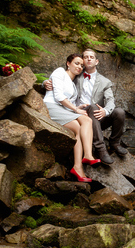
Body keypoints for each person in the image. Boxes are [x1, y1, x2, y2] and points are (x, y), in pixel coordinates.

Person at [44, 48, 127, 164]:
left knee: (119, 112)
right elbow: (59, 81)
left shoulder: (105, 82)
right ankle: (100, 149)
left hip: (98, 117)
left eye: (91, 57)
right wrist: (45, 82)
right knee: (92, 107)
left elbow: (110, 101)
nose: (88, 59)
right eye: (85, 57)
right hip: (80, 113)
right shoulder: (76, 74)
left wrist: (105, 111)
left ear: (96, 61)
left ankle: (115, 143)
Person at [43, 53, 101, 182]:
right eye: (76, 63)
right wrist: (76, 110)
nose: (80, 67)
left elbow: (70, 102)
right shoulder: (59, 72)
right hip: (52, 106)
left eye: (82, 65)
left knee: (83, 123)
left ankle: (81, 162)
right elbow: (58, 96)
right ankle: (83, 160)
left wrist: (79, 107)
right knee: (82, 123)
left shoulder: (73, 84)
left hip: (64, 109)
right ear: (68, 63)